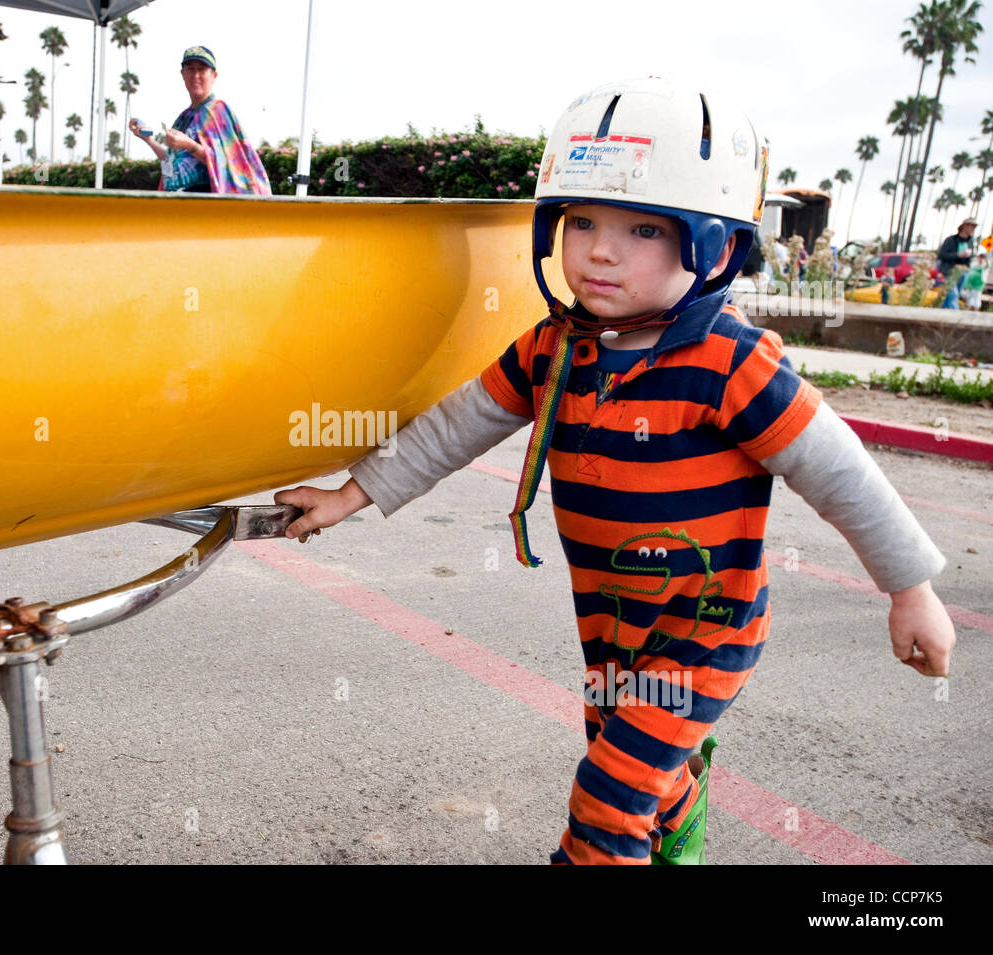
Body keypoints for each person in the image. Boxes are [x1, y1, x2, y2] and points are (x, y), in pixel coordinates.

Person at [274, 78, 955, 865]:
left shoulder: (731, 364)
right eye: (583, 221)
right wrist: (349, 494)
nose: (599, 249)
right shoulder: (554, 347)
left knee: (607, 798)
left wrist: (911, 589)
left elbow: (843, 473)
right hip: (609, 625)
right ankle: (682, 818)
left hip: (705, 630)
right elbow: (457, 426)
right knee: (641, 765)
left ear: (719, 246)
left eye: (643, 228)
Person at [129, 45, 270, 195]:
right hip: (180, 202)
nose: (195, 75)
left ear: (214, 76)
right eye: (190, 69)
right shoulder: (184, 117)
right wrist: (149, 140)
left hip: (208, 204)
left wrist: (190, 145)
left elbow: (231, 165)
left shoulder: (218, 111)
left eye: (202, 69)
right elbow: (174, 163)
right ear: (183, 74)